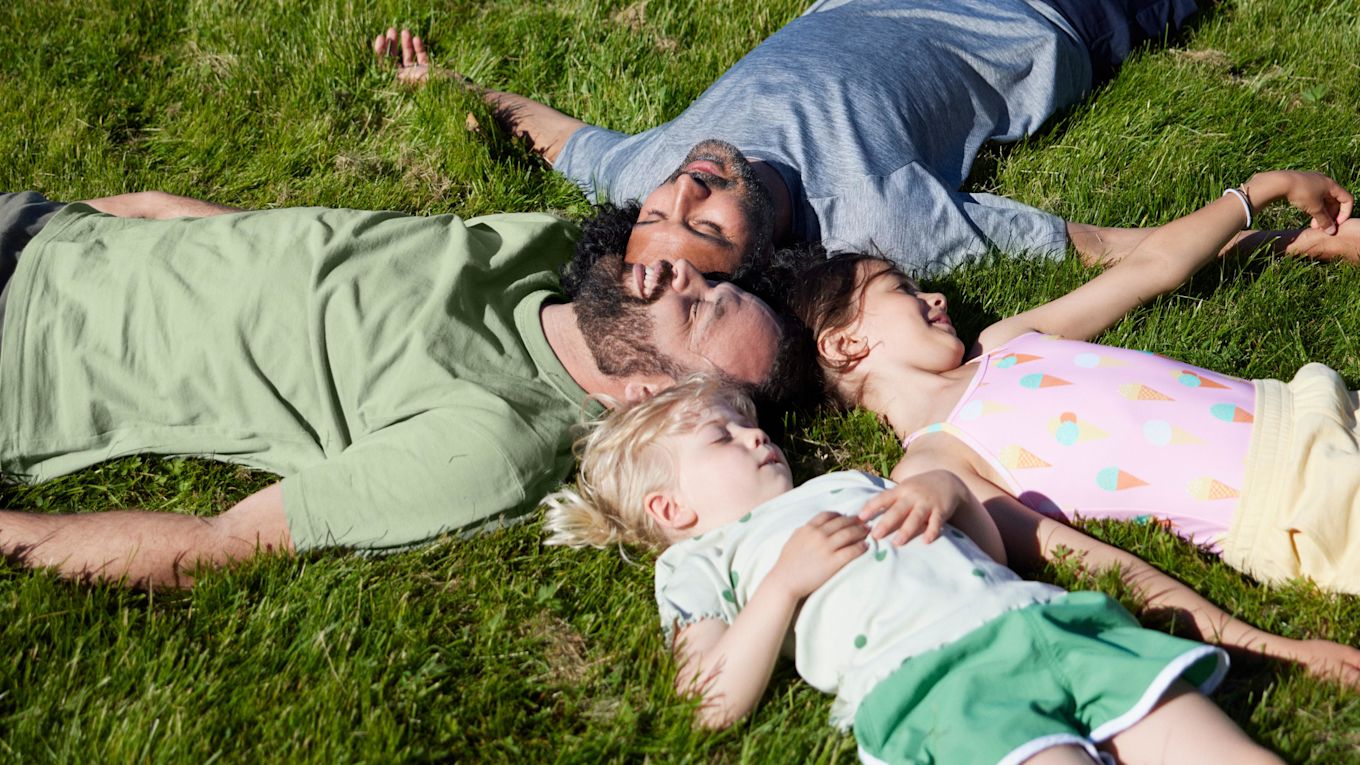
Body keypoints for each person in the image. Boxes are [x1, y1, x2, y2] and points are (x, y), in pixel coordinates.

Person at [0, 190, 786, 588]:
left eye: (701, 307)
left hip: (24, 351)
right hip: (46, 228)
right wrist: (133, 213)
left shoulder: (492, 444)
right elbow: (296, 244)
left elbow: (224, 541)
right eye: (708, 279)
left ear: (651, 393)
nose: (683, 270)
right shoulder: (544, 246)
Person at [541, 375, 1338, 764]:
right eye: (723, 438)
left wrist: (946, 492)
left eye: (746, 426)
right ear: (671, 511)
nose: (756, 437)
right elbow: (708, 700)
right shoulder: (697, 560)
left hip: (1041, 623)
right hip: (935, 684)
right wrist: (783, 582)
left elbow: (987, 552)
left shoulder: (844, 482)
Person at [372, 0, 1360, 278]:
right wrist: (1281, 236)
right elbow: (1105, 251)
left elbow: (554, 136)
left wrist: (443, 84)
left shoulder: (649, 173)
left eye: (668, 207)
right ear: (762, 248)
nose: (687, 186)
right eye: (705, 222)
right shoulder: (884, 221)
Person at [787, 169, 1360, 592]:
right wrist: (1263, 643)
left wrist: (1262, 190)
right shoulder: (934, 463)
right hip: (1294, 506)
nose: (933, 296)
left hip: (1313, 408)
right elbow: (1084, 559)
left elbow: (1150, 268)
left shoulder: (1003, 342)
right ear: (844, 345)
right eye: (901, 290)